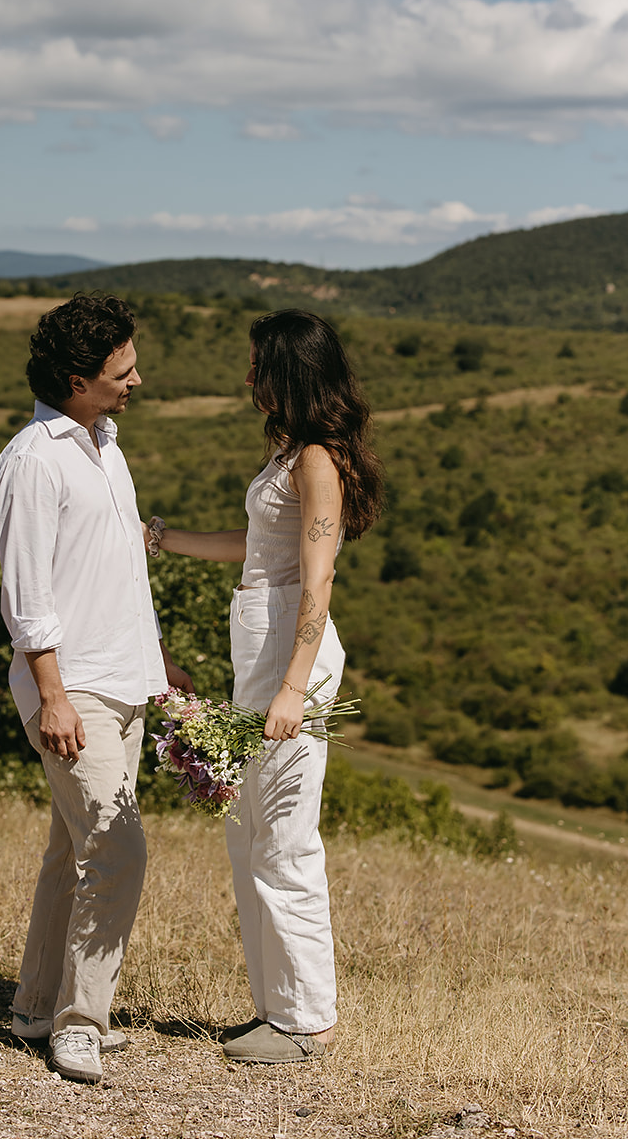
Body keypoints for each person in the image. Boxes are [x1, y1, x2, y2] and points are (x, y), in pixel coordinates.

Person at [146, 309, 382, 1064]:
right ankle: (275, 1008)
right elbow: (255, 550)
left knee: (282, 837)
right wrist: (161, 540)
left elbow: (317, 582)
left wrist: (291, 687)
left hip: (290, 656)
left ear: (288, 372)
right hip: (262, 648)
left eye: (257, 365)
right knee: (246, 832)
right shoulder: (288, 453)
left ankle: (306, 1021)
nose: (247, 378)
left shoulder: (316, 458)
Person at [0, 292, 193, 1086]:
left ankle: (36, 1007)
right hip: (72, 689)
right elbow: (27, 591)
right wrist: (52, 694)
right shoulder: (33, 459)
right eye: (123, 371)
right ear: (78, 379)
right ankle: (80, 1023)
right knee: (116, 852)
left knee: (70, 852)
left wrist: (159, 658)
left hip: (125, 678)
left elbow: (119, 573)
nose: (136, 381)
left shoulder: (105, 445)